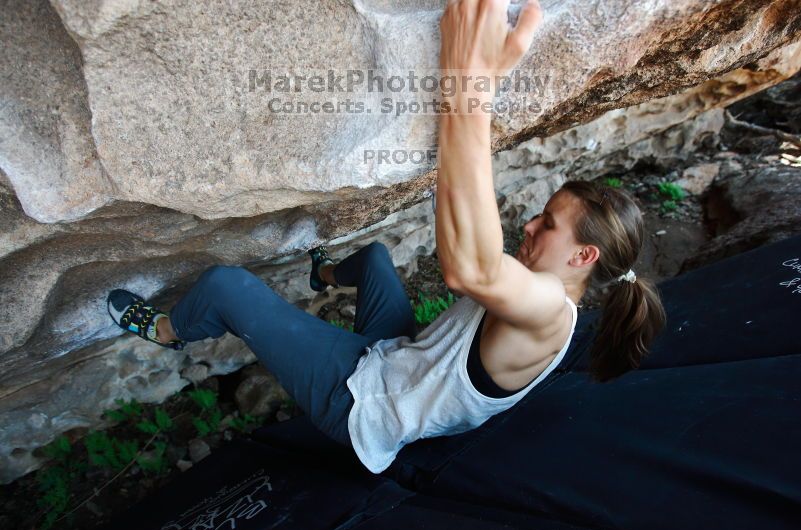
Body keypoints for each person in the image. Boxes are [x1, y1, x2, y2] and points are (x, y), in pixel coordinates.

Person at [107, 0, 665, 474]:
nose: (530, 225)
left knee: (226, 286)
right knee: (374, 257)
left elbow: (468, 269)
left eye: (548, 224)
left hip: (363, 406)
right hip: (398, 357)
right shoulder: (540, 289)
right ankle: (323, 274)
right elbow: (461, 214)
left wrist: (468, 86)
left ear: (583, 255)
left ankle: (170, 330)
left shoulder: (549, 312)